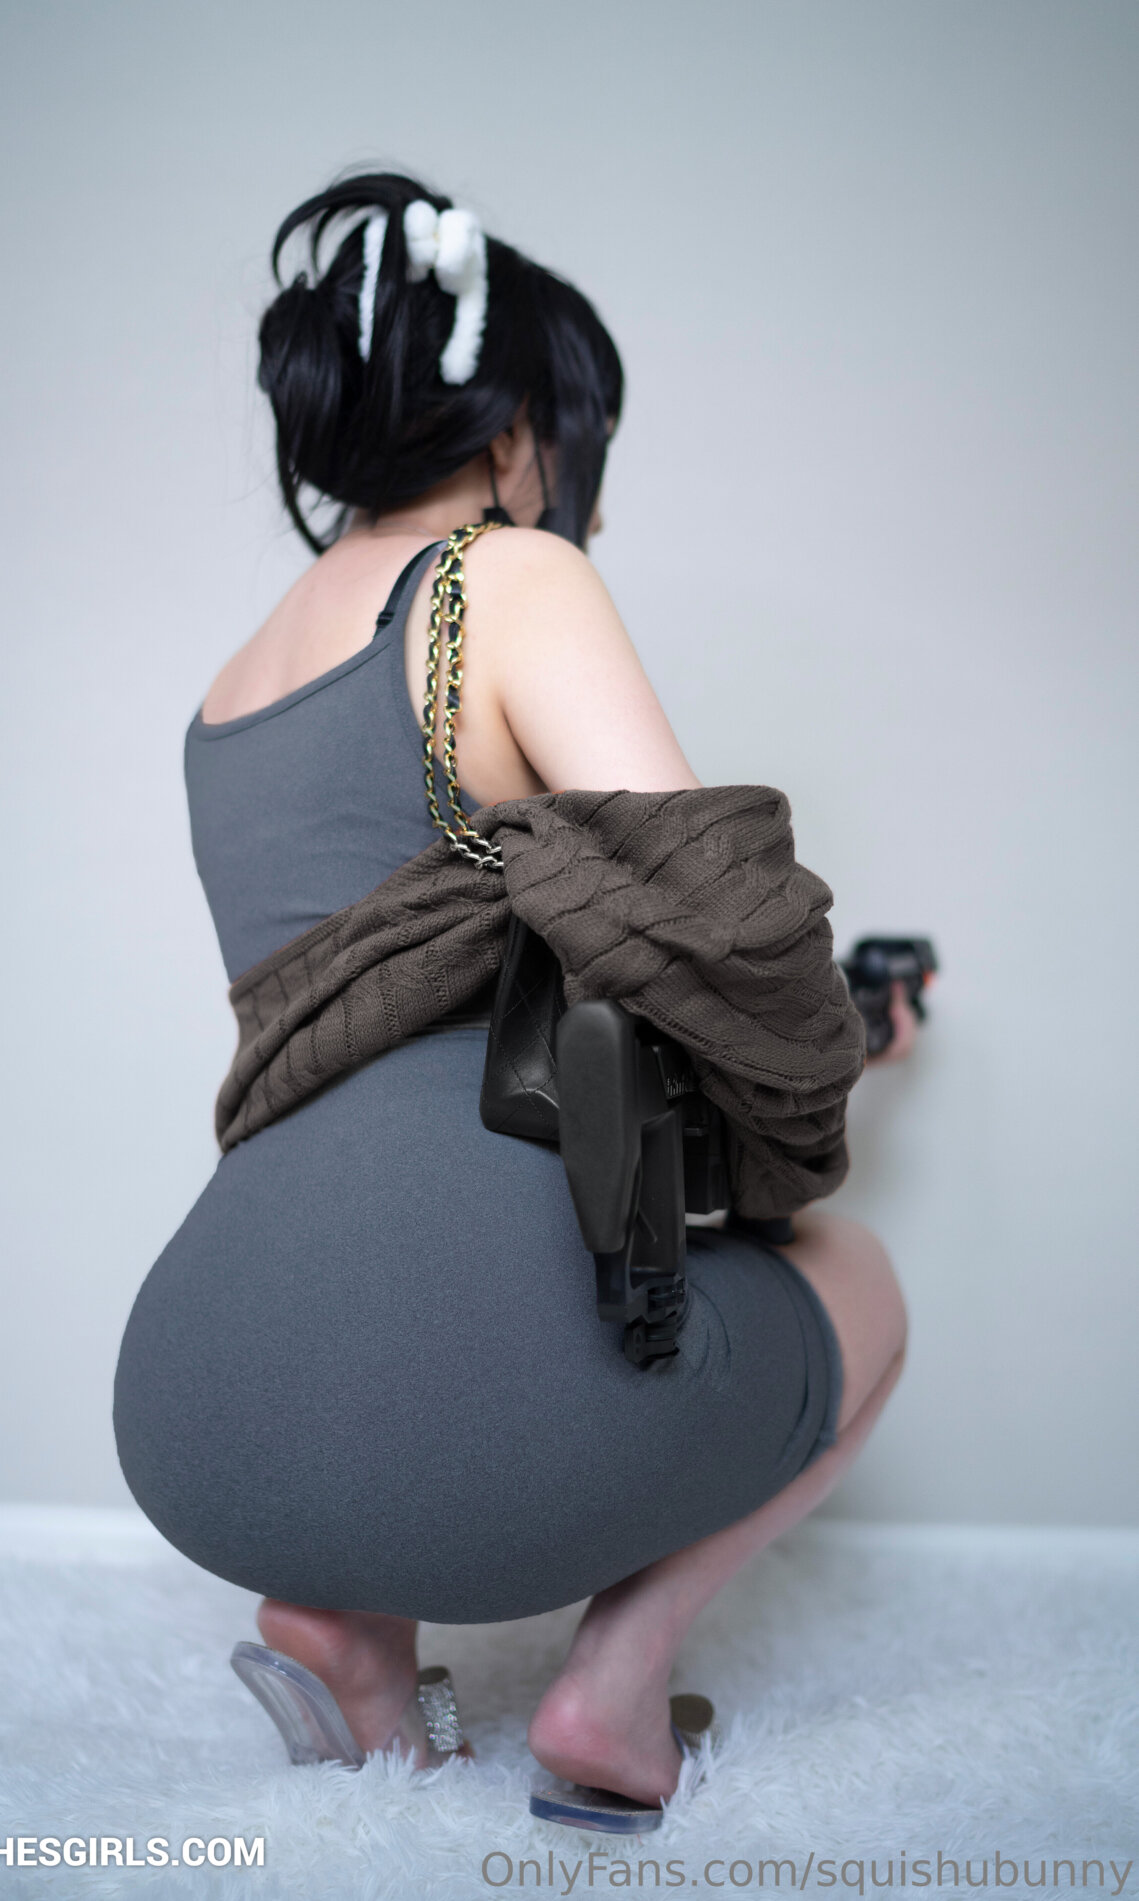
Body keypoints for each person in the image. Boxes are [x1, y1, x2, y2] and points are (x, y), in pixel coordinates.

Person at [112, 170, 912, 1822]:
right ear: (520, 426)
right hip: (473, 1399)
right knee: (864, 1281)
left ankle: (351, 1631)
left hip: (193, 1405)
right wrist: (833, 1053)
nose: (582, 504)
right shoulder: (502, 576)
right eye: (577, 444)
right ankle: (613, 1692)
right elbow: (723, 939)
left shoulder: (225, 693)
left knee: (420, 1266)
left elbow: (372, 1039)